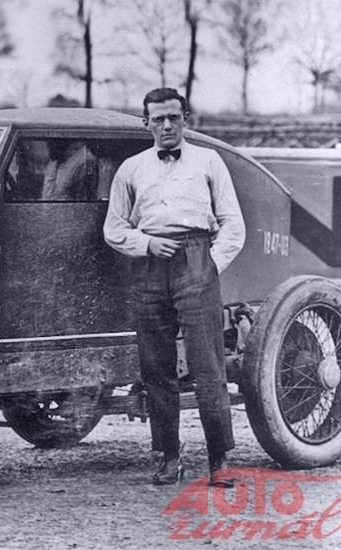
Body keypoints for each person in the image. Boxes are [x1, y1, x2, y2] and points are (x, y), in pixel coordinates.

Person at [103, 88, 245, 487]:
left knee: (208, 365)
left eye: (174, 118)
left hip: (196, 261)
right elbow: (114, 228)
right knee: (156, 367)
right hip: (149, 265)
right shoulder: (131, 168)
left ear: (186, 119)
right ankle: (168, 456)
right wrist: (146, 244)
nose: (167, 126)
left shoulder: (208, 161)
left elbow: (233, 223)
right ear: (146, 123)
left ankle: (220, 459)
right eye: (158, 119)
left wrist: (209, 265)